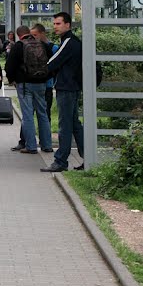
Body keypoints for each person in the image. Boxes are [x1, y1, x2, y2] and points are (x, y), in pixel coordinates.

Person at [41, 12, 86, 172]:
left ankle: (60, 161)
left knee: (64, 125)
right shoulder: (73, 42)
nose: (55, 27)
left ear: (68, 25)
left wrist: (36, 73)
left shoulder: (68, 42)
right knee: (74, 124)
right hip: (72, 87)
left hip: (66, 88)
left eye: (58, 24)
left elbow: (52, 63)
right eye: (54, 24)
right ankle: (88, 158)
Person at [5, 25, 52, 154]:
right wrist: (45, 77)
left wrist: (12, 80)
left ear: (18, 35)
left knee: (28, 115)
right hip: (41, 83)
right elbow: (51, 62)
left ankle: (31, 146)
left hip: (25, 84)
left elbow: (9, 66)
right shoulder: (42, 44)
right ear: (29, 33)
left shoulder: (19, 46)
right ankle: (47, 145)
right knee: (42, 114)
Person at [31, 23, 59, 123]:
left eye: (35, 35)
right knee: (31, 113)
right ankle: (24, 137)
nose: (33, 38)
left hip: (47, 84)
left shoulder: (53, 48)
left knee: (45, 112)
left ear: (42, 33)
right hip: (38, 84)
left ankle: (45, 135)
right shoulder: (31, 47)